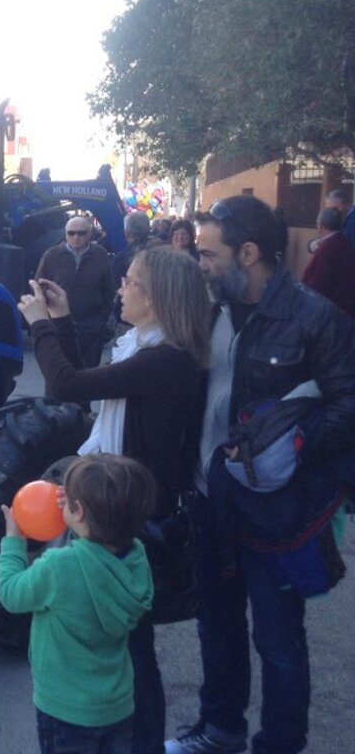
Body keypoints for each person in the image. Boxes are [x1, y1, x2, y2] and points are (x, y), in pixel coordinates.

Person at [166, 195, 355, 754]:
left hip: (276, 509)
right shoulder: (210, 309)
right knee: (216, 626)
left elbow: (350, 404)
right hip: (209, 500)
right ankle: (219, 730)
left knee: (277, 639)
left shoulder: (316, 319)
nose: (199, 263)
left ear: (247, 252)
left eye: (208, 253)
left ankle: (279, 744)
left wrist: (287, 449)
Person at [19, 245, 212, 754]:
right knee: (128, 645)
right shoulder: (147, 350)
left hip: (133, 521)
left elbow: (65, 384)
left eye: (131, 282)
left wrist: (39, 324)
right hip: (128, 510)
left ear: (158, 298)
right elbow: (91, 389)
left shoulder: (164, 359)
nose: (120, 288)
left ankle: (137, 743)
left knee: (134, 650)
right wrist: (60, 320)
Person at [0, 453, 157, 754]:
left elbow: (10, 593)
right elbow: (97, 550)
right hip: (117, 705)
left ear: (79, 512)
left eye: (69, 500)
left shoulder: (60, 567)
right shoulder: (136, 558)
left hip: (65, 711)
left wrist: (13, 541)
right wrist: (80, 510)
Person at [35, 215, 115, 366]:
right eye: (71, 233)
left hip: (91, 327)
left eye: (81, 233)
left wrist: (100, 321)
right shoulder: (51, 255)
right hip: (59, 325)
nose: (76, 237)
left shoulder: (100, 255)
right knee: (59, 371)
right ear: (65, 234)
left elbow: (109, 290)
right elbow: (39, 287)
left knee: (89, 372)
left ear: (90, 234)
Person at [301, 206, 355, 317]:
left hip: (330, 312)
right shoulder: (345, 243)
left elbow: (318, 284)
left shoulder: (327, 249)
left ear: (320, 226)